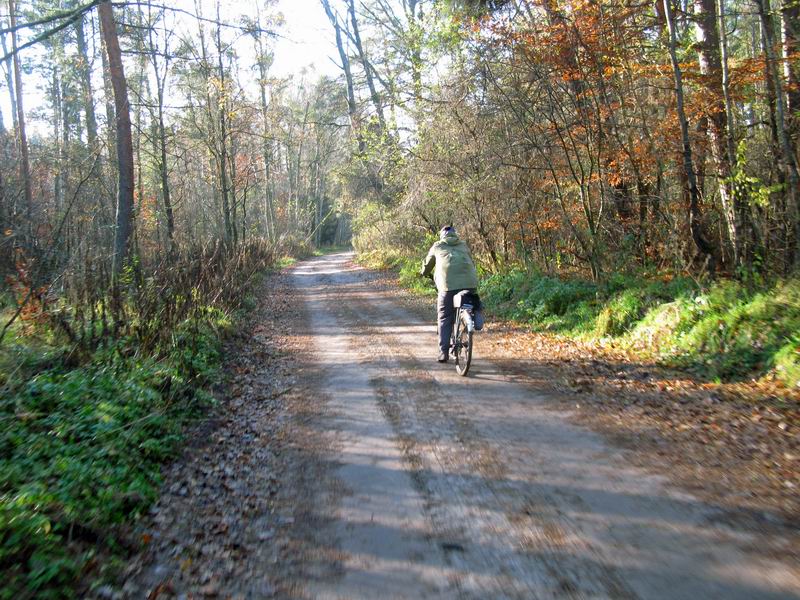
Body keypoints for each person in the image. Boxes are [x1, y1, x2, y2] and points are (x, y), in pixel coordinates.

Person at [420, 225, 483, 363]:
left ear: (442, 236)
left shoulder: (437, 246)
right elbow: (471, 262)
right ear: (455, 235)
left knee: (444, 316)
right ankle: (475, 310)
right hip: (470, 284)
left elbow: (427, 265)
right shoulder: (464, 245)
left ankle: (443, 353)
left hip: (448, 287)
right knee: (469, 301)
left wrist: (423, 273)